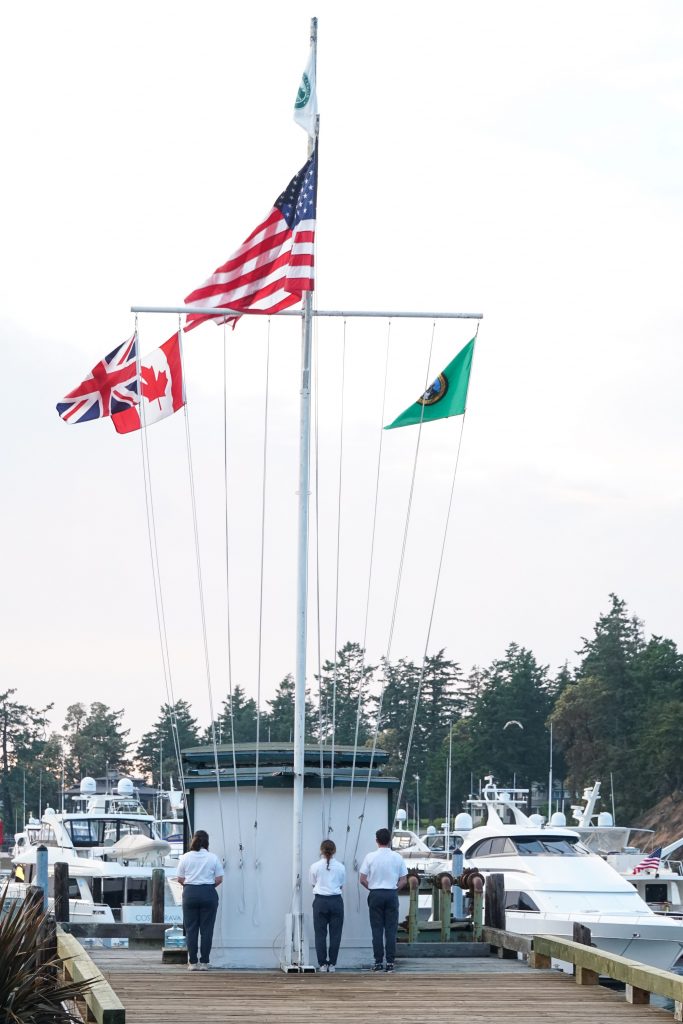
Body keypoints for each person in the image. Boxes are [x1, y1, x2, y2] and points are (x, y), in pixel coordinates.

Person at [359, 827, 407, 972]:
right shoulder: (397, 857)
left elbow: (362, 879)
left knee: (377, 929)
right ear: (390, 841)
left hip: (375, 894)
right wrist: (394, 890)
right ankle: (390, 962)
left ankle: (378, 961)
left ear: (376, 841)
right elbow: (404, 880)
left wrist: (373, 888)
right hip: (391, 893)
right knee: (391, 930)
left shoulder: (370, 857)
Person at [176, 829, 223, 970]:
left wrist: (191, 887)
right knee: (206, 930)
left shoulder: (185, 857)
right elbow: (219, 878)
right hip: (208, 892)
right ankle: (204, 962)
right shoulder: (213, 857)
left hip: (190, 893)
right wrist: (207, 887)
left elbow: (180, 878)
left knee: (191, 929)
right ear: (207, 842)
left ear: (194, 840)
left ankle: (193, 962)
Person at [309, 839, 345, 972]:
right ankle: (333, 963)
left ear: (321, 850)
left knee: (320, 934)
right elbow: (341, 884)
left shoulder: (315, 866)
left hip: (320, 901)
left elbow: (313, 883)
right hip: (336, 901)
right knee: (336, 934)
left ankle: (323, 963)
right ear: (334, 851)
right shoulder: (341, 867)